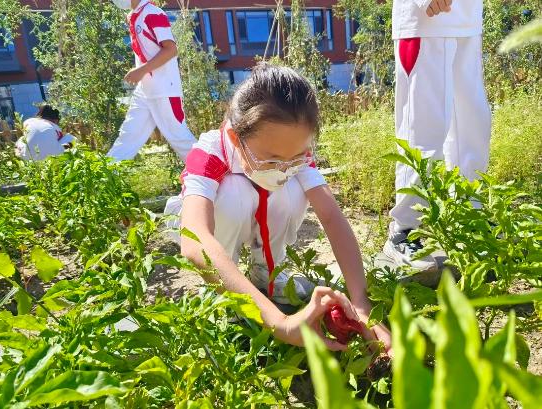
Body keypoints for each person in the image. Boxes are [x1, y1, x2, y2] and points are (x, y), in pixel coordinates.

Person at [164, 64, 392, 353]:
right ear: (237, 139)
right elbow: (196, 242)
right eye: (271, 160)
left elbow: (332, 216)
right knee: (234, 195)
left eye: (296, 157)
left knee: (292, 190)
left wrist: (361, 304)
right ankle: (221, 289)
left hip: (257, 210)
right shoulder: (210, 153)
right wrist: (280, 323)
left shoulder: (292, 153)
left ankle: (268, 274)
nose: (284, 169)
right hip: (215, 224)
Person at [384, 0, 491, 270]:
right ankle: (405, 229)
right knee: (422, 132)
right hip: (425, 20)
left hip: (467, 21)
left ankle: (469, 218)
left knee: (473, 129)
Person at [107, 0, 196, 161]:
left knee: (180, 139)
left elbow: (171, 49)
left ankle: (219, 177)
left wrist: (141, 70)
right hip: (145, 90)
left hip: (164, 89)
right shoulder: (135, 16)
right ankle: (103, 180)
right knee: (127, 137)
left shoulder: (152, 13)